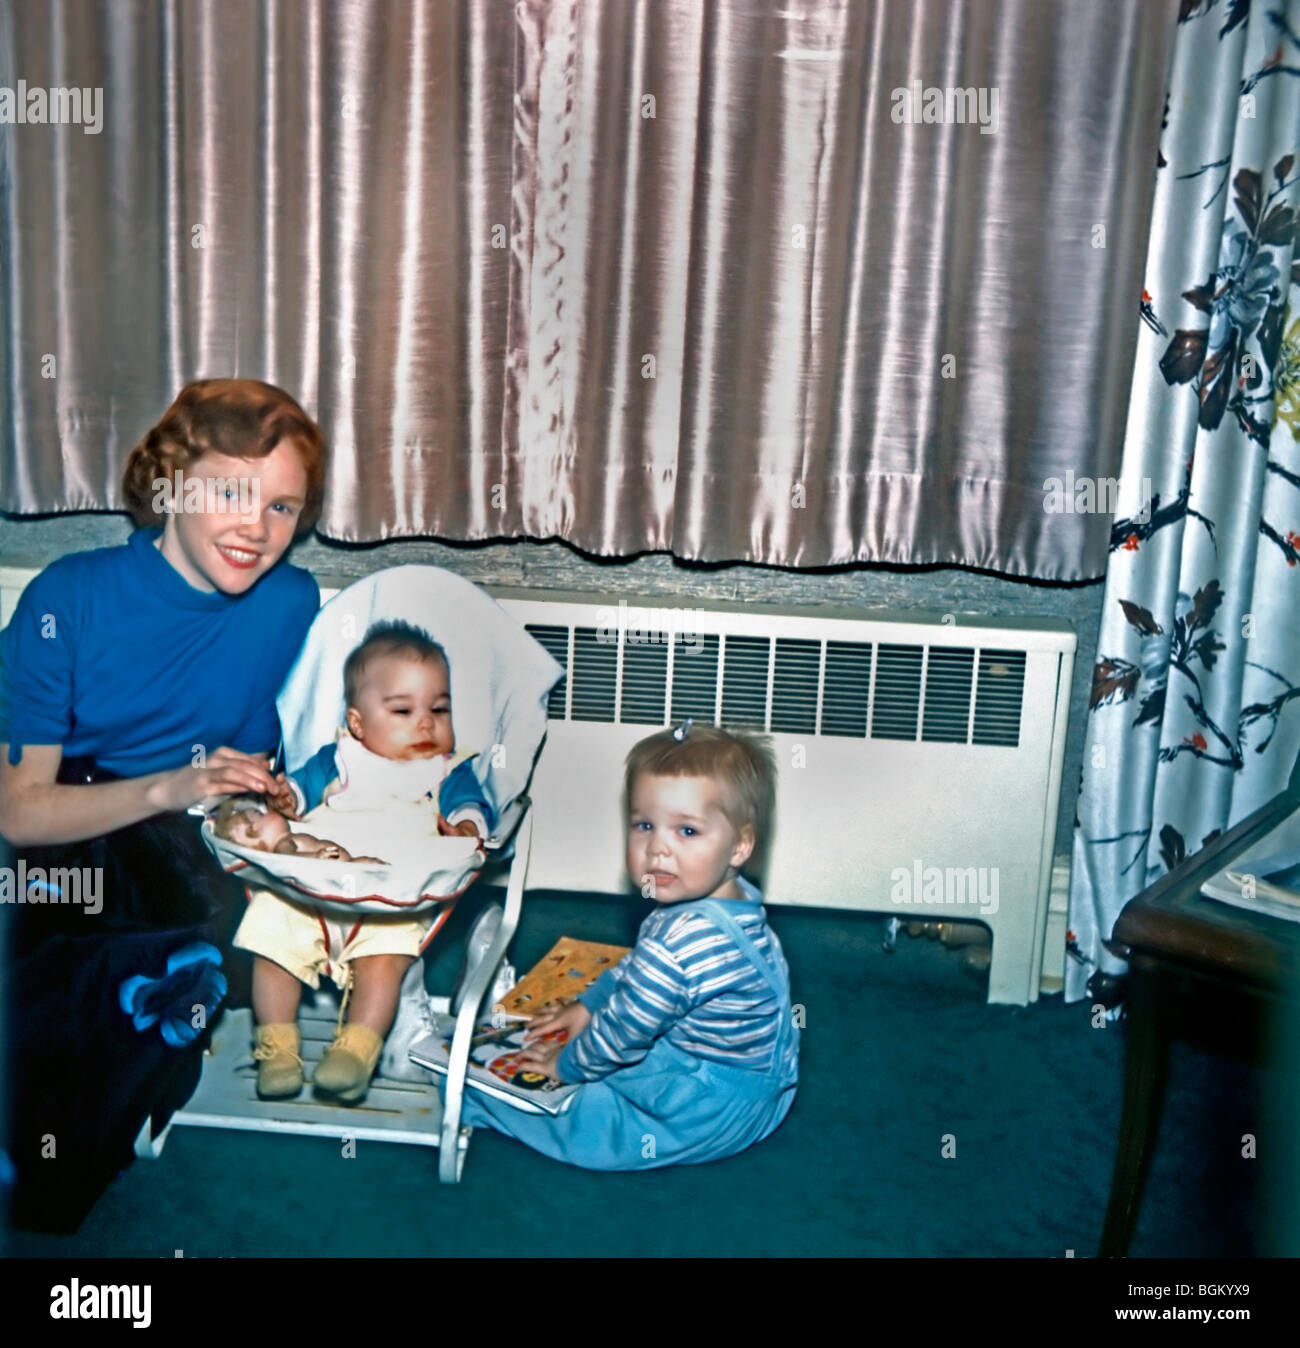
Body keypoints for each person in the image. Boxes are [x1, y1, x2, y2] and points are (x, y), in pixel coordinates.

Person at [0, 378, 326, 1231]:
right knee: (65, 925)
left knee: (180, 911)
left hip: (179, 831)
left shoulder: (290, 602)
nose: (259, 530)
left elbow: (249, 752)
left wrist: (261, 801)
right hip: (68, 809)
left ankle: (154, 996)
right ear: (170, 482)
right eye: (231, 493)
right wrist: (170, 787)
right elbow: (20, 813)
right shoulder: (66, 597)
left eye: (285, 508)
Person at [453, 721, 799, 1169]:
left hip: (705, 1110)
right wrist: (588, 1005)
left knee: (590, 1119)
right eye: (644, 825)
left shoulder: (680, 944)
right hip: (757, 1088)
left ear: (740, 846)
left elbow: (622, 1036)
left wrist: (566, 1065)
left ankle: (472, 1098)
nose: (658, 849)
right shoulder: (735, 903)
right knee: (626, 1028)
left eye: (687, 832)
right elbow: (640, 972)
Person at [233, 621, 495, 1104]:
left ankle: (355, 1053)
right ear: (357, 723)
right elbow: (299, 791)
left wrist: (467, 825)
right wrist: (287, 798)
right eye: (403, 710)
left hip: (389, 893)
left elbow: (471, 804)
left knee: (384, 962)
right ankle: (276, 1049)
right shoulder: (338, 760)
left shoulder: (446, 770)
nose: (426, 723)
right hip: (311, 882)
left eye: (440, 709)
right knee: (271, 941)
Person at [211, 796, 385, 862]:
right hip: (332, 869)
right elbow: (291, 859)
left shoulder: (289, 837)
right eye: (261, 813)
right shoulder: (283, 845)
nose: (270, 811)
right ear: (255, 828)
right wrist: (316, 858)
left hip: (345, 866)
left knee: (369, 864)